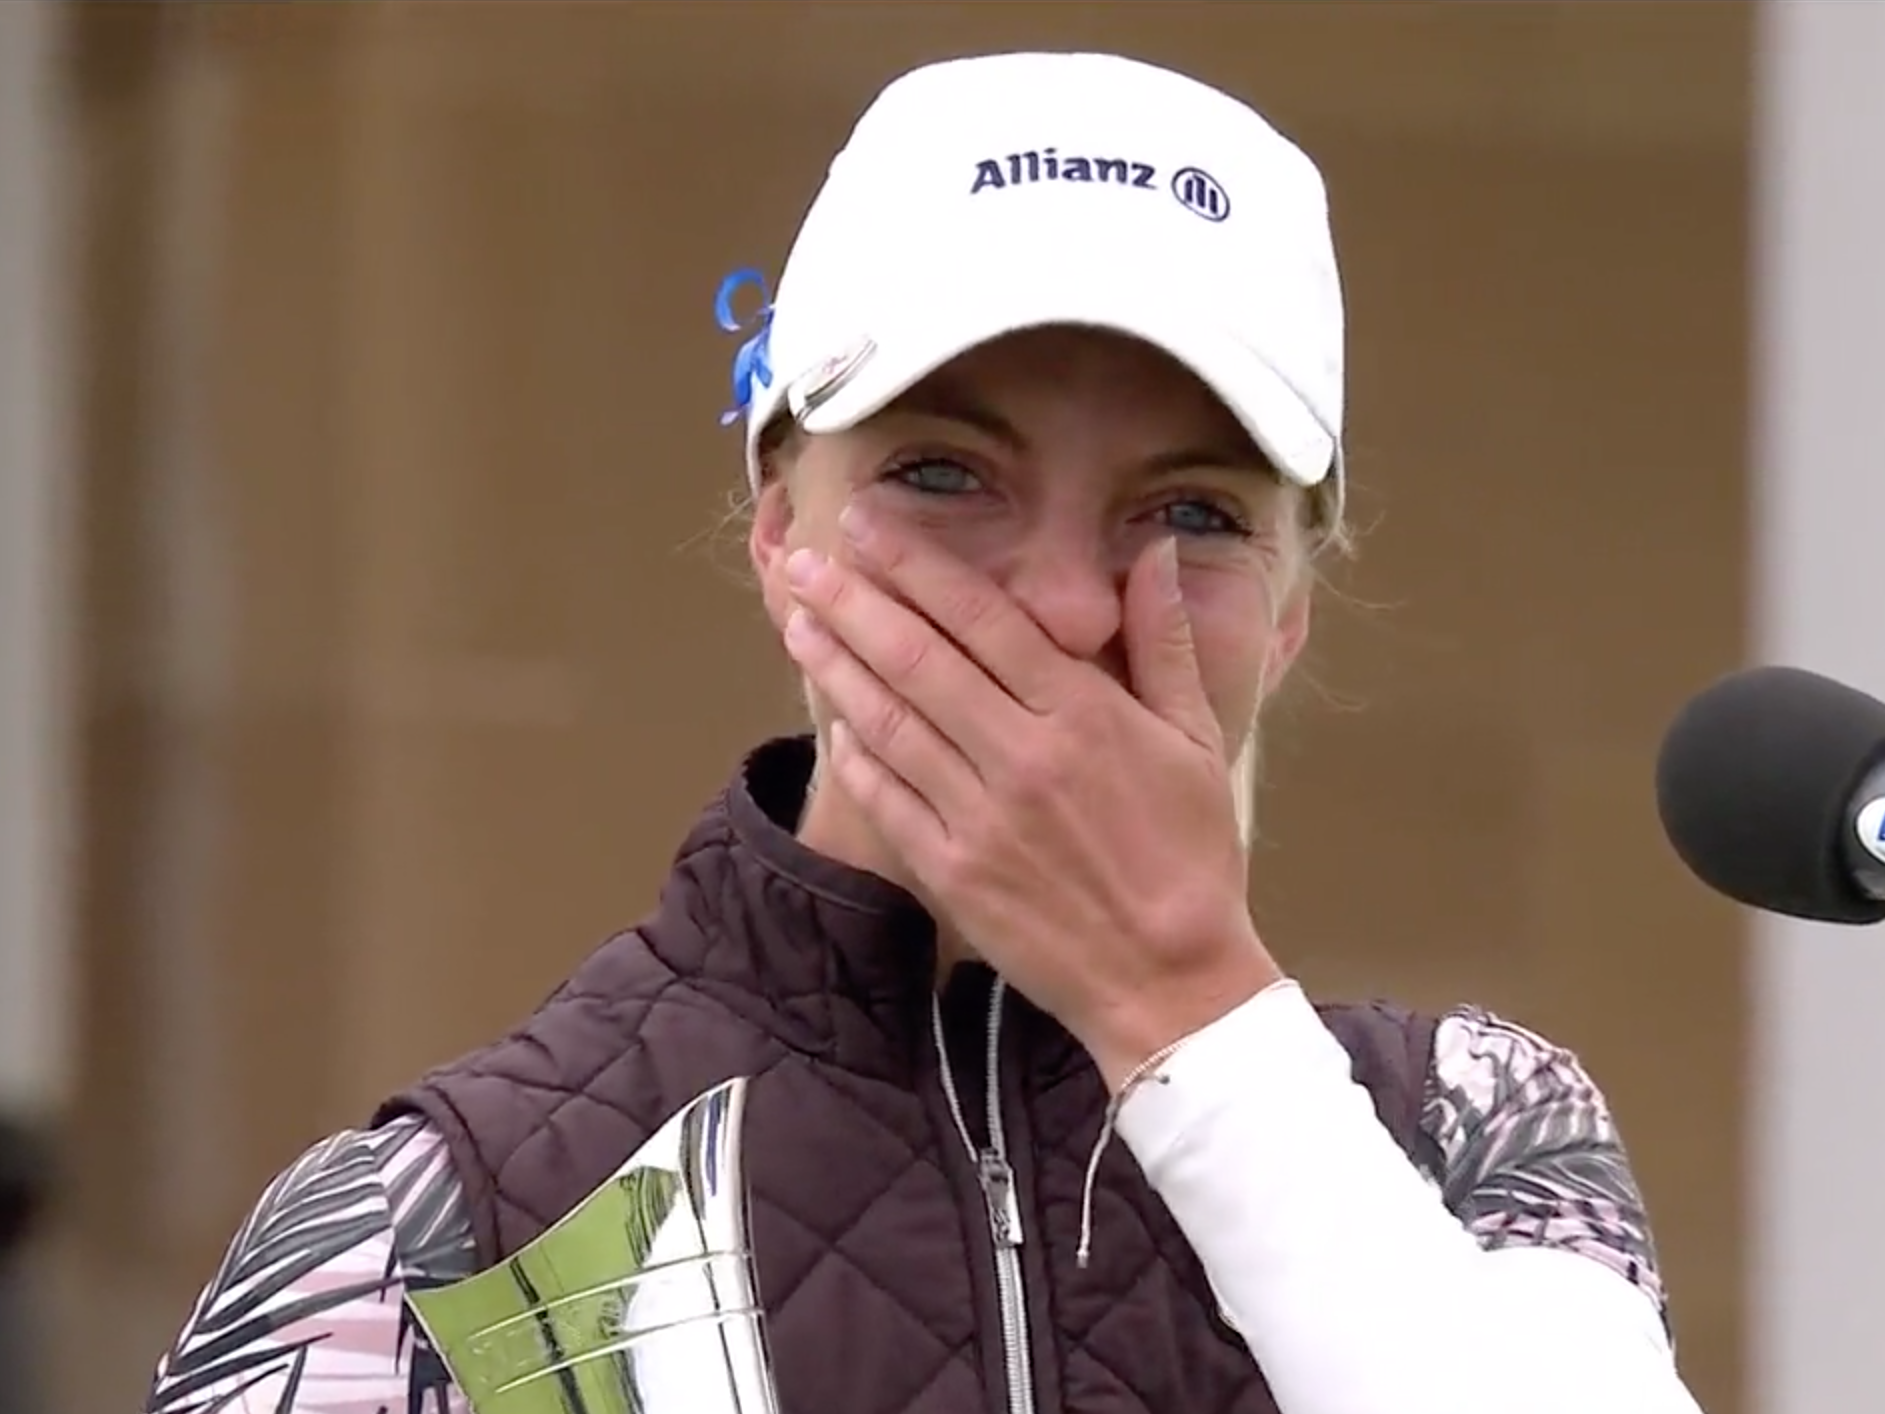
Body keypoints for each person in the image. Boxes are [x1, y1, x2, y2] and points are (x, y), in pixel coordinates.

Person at [142, 51, 1707, 1414]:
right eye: (946, 474)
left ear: (1291, 611)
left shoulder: (1466, 1135)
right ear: (780, 535)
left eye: (1192, 513)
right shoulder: (453, 1224)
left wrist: (1186, 1012)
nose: (1071, 605)